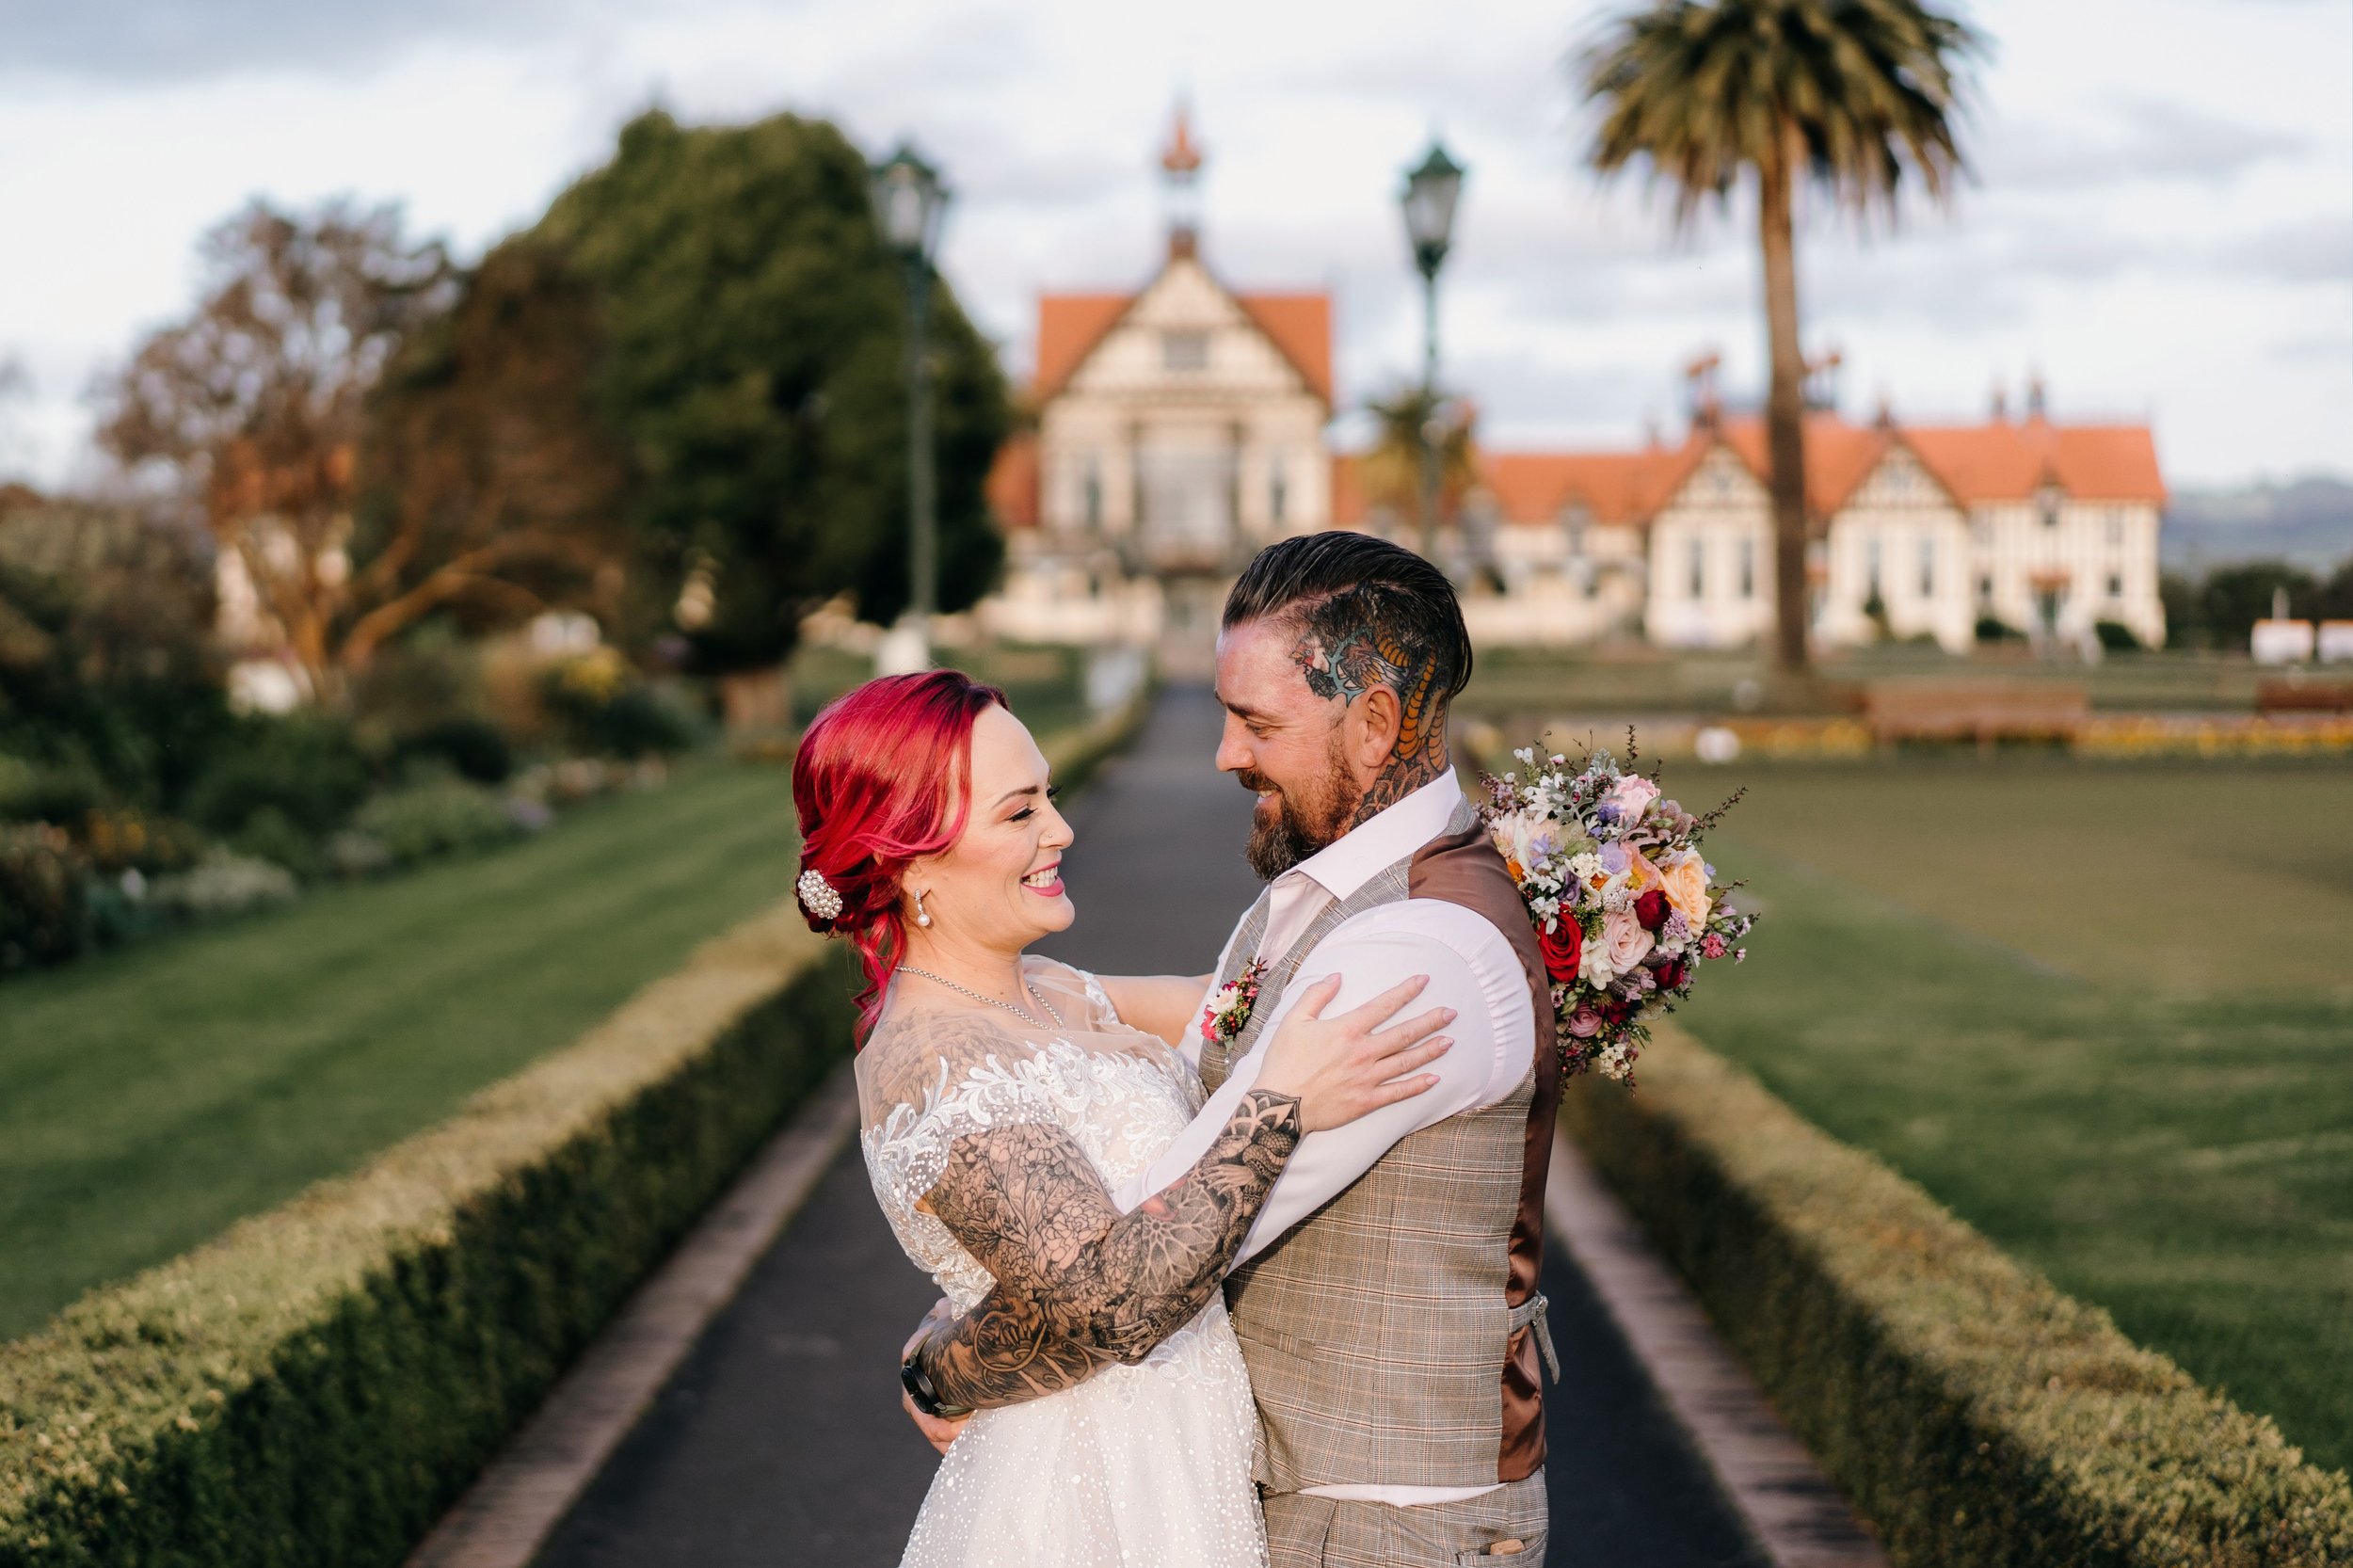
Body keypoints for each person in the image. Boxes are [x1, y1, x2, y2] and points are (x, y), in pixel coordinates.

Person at [900, 532, 1559, 1567]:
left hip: (1377, 1521)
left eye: (1257, 722)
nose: (1224, 753)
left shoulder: (1412, 956)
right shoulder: (1331, 893)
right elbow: (1214, 1029)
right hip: (1313, 1495)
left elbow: (1138, 1262)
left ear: (1375, 724)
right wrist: (998, 996)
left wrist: (946, 1363)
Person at [792, 665, 1458, 1567]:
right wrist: (1278, 1106)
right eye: (1018, 812)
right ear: (912, 860)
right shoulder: (934, 1061)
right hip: (1084, 1495)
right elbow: (1110, 1305)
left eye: (1050, 798)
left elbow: (1246, 999)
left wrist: (1521, 894)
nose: (1060, 830)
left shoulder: (1059, 994)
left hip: (1184, 1459)